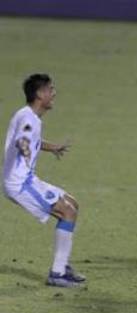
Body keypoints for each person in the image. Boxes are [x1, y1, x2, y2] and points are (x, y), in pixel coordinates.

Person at [4, 73, 84, 287]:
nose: (54, 93)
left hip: (27, 179)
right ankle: (57, 274)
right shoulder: (29, 120)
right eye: (50, 89)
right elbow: (23, 137)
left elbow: (32, 138)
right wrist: (23, 146)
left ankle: (62, 263)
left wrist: (52, 147)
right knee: (68, 212)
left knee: (72, 203)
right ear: (40, 94)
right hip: (20, 184)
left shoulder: (28, 115)